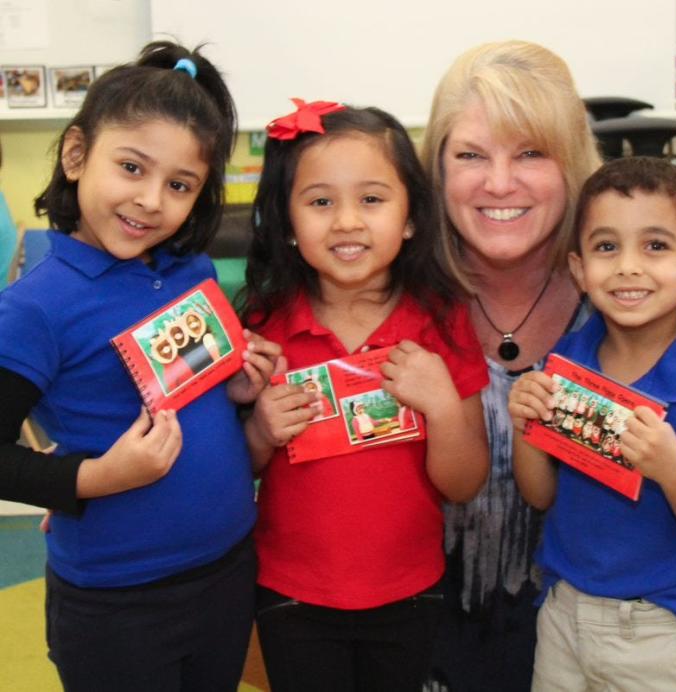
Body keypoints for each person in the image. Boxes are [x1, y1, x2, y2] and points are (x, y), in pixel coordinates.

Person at [0, 42, 280, 690]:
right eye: (131, 167)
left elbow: (193, 398)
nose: (151, 200)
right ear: (76, 155)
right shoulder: (35, 308)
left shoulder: (192, 273)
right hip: (117, 600)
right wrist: (94, 477)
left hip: (227, 570)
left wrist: (237, 389)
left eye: (179, 185)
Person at [240, 101, 490, 692]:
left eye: (372, 199)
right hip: (291, 592)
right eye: (321, 201)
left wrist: (443, 406)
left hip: (410, 589)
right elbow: (233, 469)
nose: (347, 221)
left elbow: (465, 483)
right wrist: (258, 432)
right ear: (287, 223)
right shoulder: (263, 327)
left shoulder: (443, 322)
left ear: (409, 218)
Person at [509, 156, 676, 691]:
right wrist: (525, 426)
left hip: (659, 628)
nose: (627, 266)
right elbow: (540, 495)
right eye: (606, 247)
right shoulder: (567, 360)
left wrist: (672, 468)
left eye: (656, 246)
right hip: (563, 612)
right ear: (578, 269)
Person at [419, 40, 601, 690]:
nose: (499, 183)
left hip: (587, 645)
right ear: (437, 169)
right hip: (422, 645)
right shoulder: (396, 299)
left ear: (573, 165)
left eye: (531, 153)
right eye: (470, 155)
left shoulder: (628, 304)